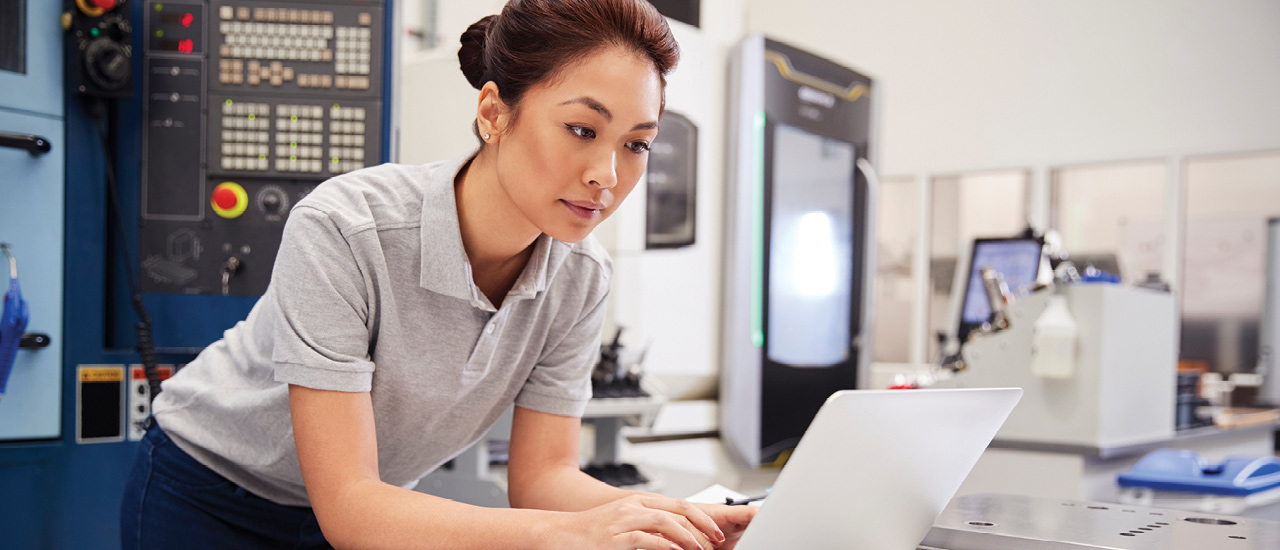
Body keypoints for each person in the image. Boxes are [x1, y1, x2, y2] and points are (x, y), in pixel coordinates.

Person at [119, 0, 757, 548]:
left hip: (383, 510)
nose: (608, 175)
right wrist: (563, 535)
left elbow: (541, 477)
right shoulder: (345, 229)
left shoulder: (581, 277)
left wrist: (675, 522)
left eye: (636, 143)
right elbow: (350, 508)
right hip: (209, 491)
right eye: (582, 128)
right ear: (494, 113)